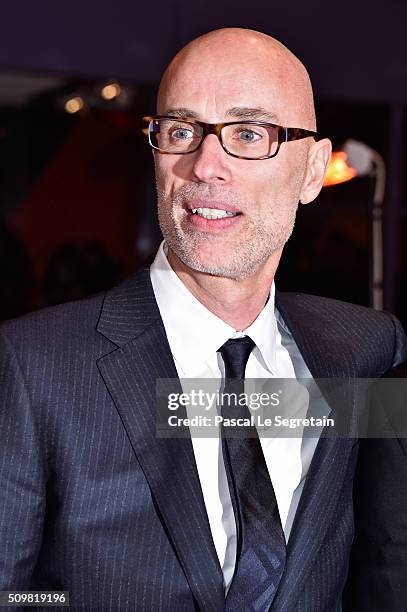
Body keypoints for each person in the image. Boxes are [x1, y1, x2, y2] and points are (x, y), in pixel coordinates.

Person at [0, 27, 405, 612]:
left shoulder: (366, 352)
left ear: (314, 171)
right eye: (182, 131)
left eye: (248, 132)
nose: (204, 164)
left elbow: (385, 562)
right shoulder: (31, 365)